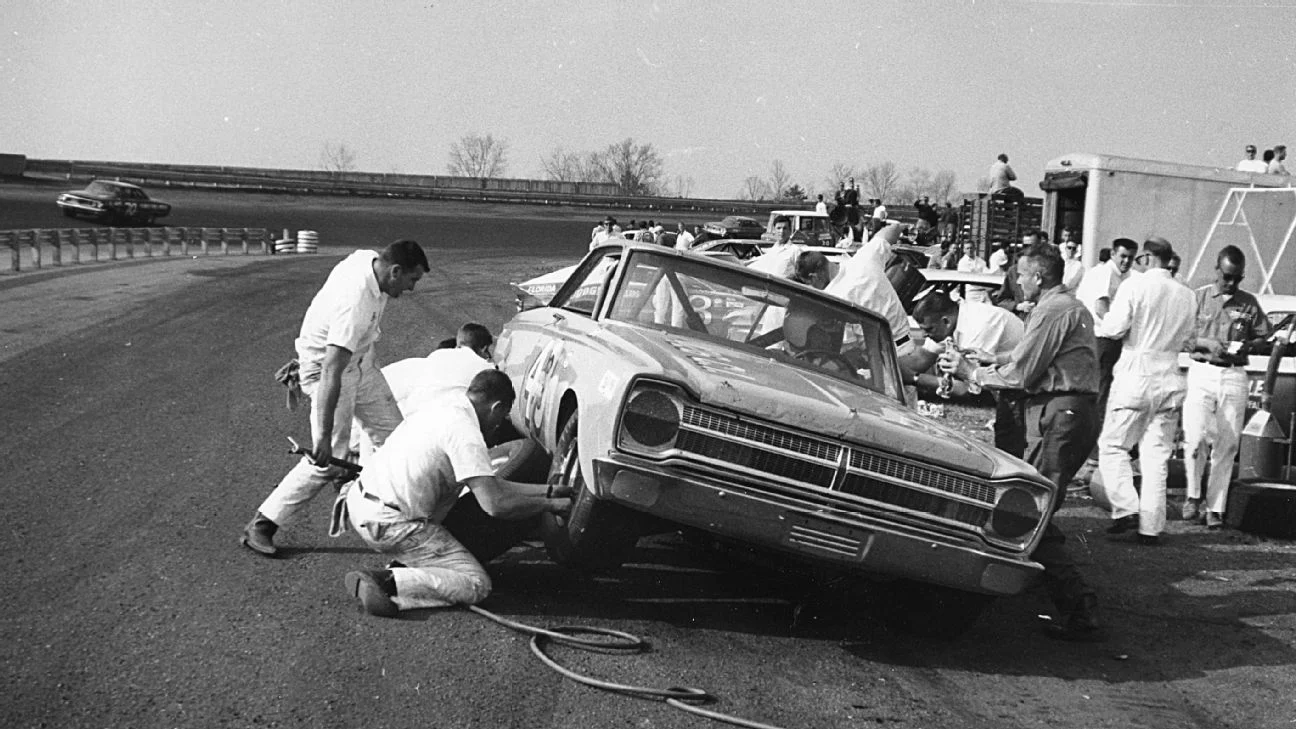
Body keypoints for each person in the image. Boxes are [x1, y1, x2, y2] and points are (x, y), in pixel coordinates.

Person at [937, 242, 1102, 640]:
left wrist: (970, 372)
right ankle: (1067, 598)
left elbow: (1023, 375)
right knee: (1034, 504)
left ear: (1039, 276)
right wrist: (993, 361)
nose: (1017, 281)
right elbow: (1034, 360)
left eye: (1022, 275)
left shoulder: (1051, 310)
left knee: (1031, 507)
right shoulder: (1064, 308)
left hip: (1062, 413)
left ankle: (1079, 608)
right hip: (1066, 411)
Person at [241, 240, 430, 557]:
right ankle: (263, 523)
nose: (411, 289)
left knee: (398, 442)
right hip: (330, 372)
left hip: (361, 362)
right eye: (412, 280)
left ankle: (401, 516)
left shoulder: (371, 260)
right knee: (324, 461)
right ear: (395, 271)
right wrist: (325, 437)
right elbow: (331, 371)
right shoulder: (354, 302)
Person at [340, 370, 572, 616]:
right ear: (496, 407)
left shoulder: (445, 406)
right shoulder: (466, 434)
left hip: (363, 502)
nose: (497, 425)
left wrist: (548, 492)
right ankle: (389, 583)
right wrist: (550, 507)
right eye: (501, 417)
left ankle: (408, 567)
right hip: (392, 523)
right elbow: (495, 504)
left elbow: (494, 485)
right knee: (477, 584)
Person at [1095, 237, 1197, 544]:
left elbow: (1114, 328)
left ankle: (1126, 508)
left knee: (1113, 446)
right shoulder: (1187, 295)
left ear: (1148, 257)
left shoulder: (1135, 286)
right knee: (1156, 456)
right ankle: (1151, 526)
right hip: (1170, 375)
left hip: (1136, 373)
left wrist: (1103, 313)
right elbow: (1190, 340)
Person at [1181, 246, 1271, 528]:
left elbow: (1265, 337)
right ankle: (1193, 495)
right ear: (1217, 270)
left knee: (1228, 442)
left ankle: (1215, 506)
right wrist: (1204, 344)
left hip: (1233, 375)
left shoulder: (1249, 303)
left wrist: (1252, 344)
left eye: (1237, 278)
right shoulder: (1199, 297)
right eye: (1227, 277)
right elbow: (1182, 337)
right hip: (1202, 372)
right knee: (1195, 438)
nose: (1231, 283)